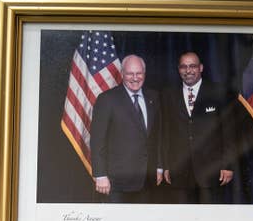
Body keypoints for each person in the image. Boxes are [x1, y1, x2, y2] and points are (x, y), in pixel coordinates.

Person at [162, 51, 236, 204]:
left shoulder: (218, 92)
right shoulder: (168, 94)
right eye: (183, 67)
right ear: (178, 69)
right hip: (178, 171)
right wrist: (165, 165)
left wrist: (227, 165)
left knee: (209, 220)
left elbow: (229, 132)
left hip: (211, 170)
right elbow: (165, 133)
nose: (188, 71)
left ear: (201, 68)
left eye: (192, 66)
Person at [90, 54, 163, 203]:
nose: (135, 78)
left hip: (147, 181)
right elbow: (97, 140)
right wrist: (100, 175)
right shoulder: (107, 99)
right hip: (116, 183)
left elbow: (158, 135)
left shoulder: (154, 97)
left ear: (144, 73)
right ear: (122, 74)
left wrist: (159, 167)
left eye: (139, 73)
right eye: (130, 73)